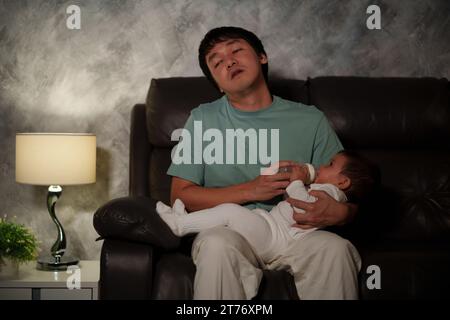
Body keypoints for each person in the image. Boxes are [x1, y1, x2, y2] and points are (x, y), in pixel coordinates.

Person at [167, 26, 361, 299]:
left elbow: (349, 184)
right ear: (218, 83)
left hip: (297, 235)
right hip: (230, 232)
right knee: (216, 245)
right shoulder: (202, 119)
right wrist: (251, 190)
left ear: (262, 57)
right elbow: (180, 195)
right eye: (217, 61)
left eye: (236, 50)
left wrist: (342, 213)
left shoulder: (310, 119)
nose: (229, 61)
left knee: (336, 250)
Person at [159, 151, 378, 265]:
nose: (321, 166)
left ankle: (181, 224)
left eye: (330, 165)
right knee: (229, 221)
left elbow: (302, 205)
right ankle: (187, 221)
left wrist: (296, 181)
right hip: (270, 228)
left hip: (276, 238)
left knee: (229, 212)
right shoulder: (326, 188)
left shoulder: (331, 194)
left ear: (343, 183)